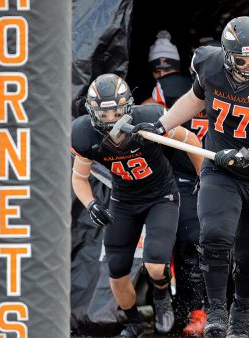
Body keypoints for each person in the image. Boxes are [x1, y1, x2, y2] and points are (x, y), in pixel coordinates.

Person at [131, 16, 249, 338]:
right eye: (243, 59)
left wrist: (248, 155)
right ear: (226, 55)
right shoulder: (210, 65)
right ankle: (215, 310)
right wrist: (162, 125)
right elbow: (195, 98)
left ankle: (241, 311)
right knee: (214, 235)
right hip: (219, 167)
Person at [71, 74, 204, 337]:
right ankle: (133, 322)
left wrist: (204, 179)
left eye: (115, 110)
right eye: (103, 111)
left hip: (160, 196)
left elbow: (191, 141)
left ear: (128, 106)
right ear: (91, 111)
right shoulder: (85, 133)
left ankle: (161, 296)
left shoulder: (149, 117)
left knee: (155, 265)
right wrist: (91, 204)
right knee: (116, 272)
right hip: (124, 200)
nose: (110, 117)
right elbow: (79, 177)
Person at [145, 30, 210, 337]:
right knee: (189, 245)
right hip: (191, 178)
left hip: (224, 176)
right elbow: (146, 116)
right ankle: (194, 310)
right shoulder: (173, 87)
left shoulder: (242, 90)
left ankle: (227, 311)